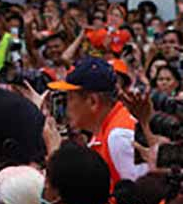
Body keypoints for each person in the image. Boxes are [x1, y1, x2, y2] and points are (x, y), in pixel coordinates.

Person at [49, 57, 147, 192]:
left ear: (92, 101)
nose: (66, 107)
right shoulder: (104, 131)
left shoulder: (118, 137)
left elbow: (143, 200)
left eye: (70, 98)